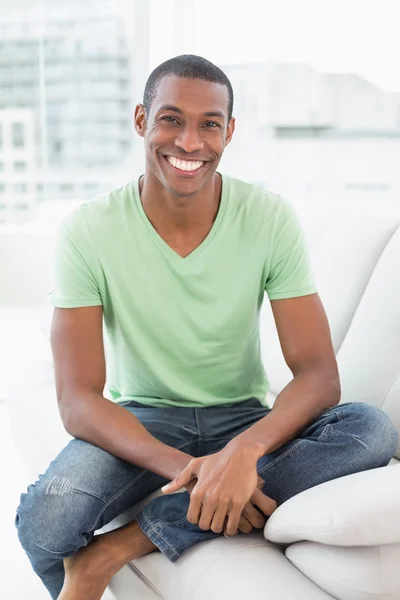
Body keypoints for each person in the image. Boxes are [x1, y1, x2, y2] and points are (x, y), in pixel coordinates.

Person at [15, 55, 398, 600]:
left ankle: (122, 545)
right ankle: (205, 500)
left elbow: (317, 376)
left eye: (209, 124)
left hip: (241, 419)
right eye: (171, 119)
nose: (190, 142)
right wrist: (195, 472)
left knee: (369, 430)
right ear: (141, 121)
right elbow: (78, 400)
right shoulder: (88, 230)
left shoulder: (268, 218)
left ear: (230, 131)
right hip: (141, 423)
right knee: (45, 522)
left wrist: (242, 454)